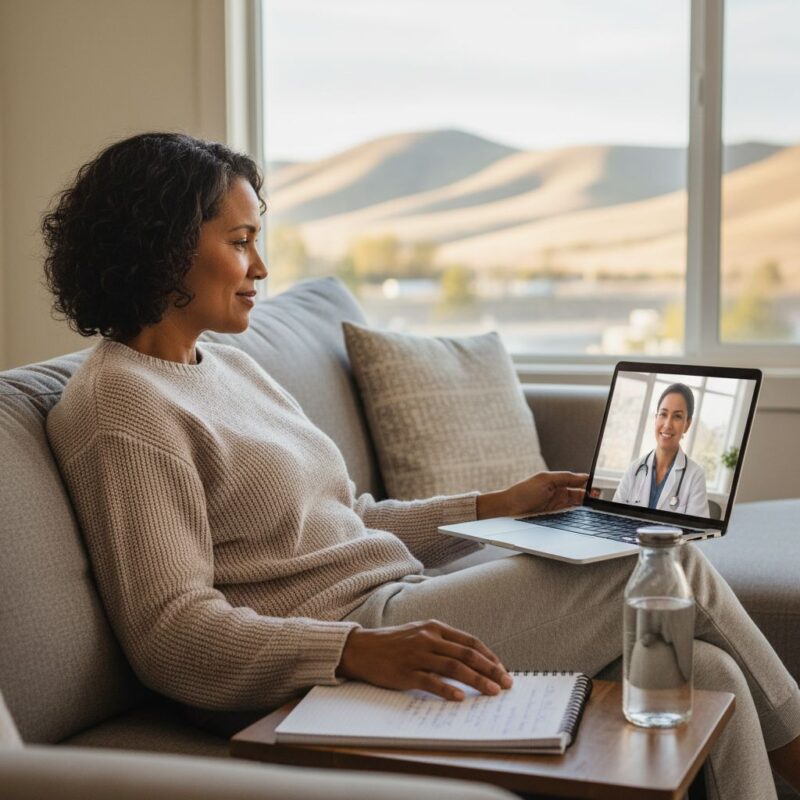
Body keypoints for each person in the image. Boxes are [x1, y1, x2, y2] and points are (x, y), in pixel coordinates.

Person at [43, 133, 799, 800]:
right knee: (654, 560)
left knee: (705, 672)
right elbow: (170, 632)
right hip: (337, 649)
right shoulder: (122, 410)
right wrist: (356, 651)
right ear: (166, 245)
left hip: (397, 602)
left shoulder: (227, 364)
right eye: (240, 240)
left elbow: (349, 515)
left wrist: (495, 506)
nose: (261, 265)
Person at [613, 384, 709, 517]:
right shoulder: (634, 469)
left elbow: (698, 533)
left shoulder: (695, 476)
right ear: (656, 418)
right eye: (663, 414)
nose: (668, 424)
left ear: (687, 424)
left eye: (677, 416)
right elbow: (614, 519)